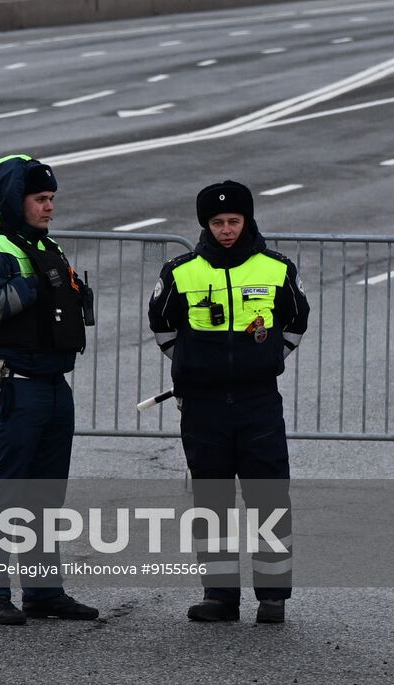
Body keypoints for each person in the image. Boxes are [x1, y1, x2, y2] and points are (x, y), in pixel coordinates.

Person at [147, 181, 309, 624]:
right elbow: (162, 324)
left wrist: (270, 357)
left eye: (233, 221)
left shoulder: (276, 268)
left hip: (259, 401)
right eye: (217, 223)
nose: (225, 230)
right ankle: (219, 595)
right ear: (205, 224)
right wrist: (192, 364)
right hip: (204, 404)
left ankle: (272, 596)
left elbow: (296, 319)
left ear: (247, 220)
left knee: (269, 495)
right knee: (212, 497)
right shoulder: (180, 271)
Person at [0, 155, 98, 626]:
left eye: (52, 199)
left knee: (44, 496)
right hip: (13, 385)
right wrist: (36, 283)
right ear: (14, 202)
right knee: (4, 491)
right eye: (40, 199)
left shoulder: (45, 245)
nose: (49, 207)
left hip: (53, 383)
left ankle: (42, 592)